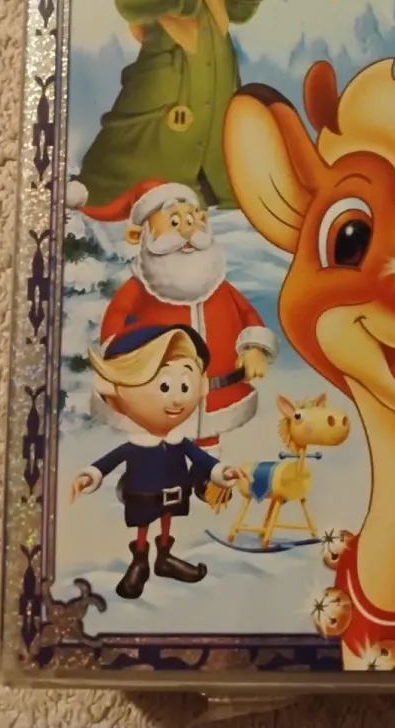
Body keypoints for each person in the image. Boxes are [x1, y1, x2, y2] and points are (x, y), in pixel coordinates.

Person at [74, 0, 270, 209]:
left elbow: (235, 11)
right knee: (162, 146)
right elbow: (129, 1)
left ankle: (211, 187)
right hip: (168, 84)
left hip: (217, 80)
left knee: (216, 136)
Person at [66, 177, 278, 453]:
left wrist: (255, 348)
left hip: (218, 395)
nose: (187, 230)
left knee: (208, 446)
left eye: (191, 219)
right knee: (157, 446)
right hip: (157, 396)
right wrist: (124, 365)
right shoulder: (140, 288)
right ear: (139, 236)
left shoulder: (218, 285)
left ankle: (207, 468)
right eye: (174, 221)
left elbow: (247, 314)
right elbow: (114, 325)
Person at [71, 323, 241, 600]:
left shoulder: (178, 441)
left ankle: (164, 559)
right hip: (143, 493)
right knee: (144, 523)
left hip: (174, 491)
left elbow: (202, 459)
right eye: (163, 386)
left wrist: (221, 471)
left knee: (167, 518)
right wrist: (91, 475)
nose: (176, 398)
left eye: (185, 385)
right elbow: (110, 461)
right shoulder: (137, 445)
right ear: (115, 392)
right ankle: (140, 562)